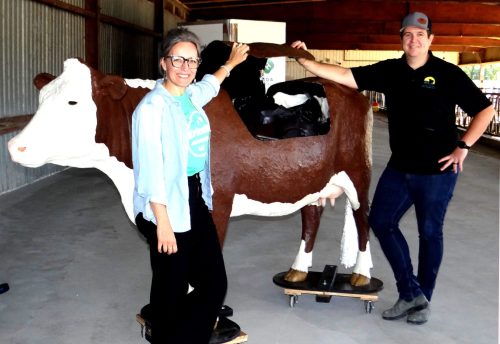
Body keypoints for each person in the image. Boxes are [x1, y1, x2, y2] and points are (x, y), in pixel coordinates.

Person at [291, 12, 495, 325]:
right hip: (400, 168)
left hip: (438, 172)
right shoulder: (391, 71)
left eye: (420, 35)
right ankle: (410, 291)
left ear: (430, 40)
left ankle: (422, 298)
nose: (413, 40)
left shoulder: (448, 73)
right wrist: (307, 62)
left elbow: (484, 110)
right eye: (407, 35)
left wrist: (463, 147)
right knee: (382, 221)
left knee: (430, 233)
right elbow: (346, 75)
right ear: (401, 39)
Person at [132, 27, 249, 343]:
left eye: (192, 61)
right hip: (164, 206)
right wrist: (163, 224)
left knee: (213, 283)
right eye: (178, 60)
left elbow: (210, 86)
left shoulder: (190, 96)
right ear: (163, 63)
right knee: (171, 286)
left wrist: (231, 63)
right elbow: (149, 172)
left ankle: (183, 335)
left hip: (194, 196)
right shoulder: (151, 109)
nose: (185, 67)